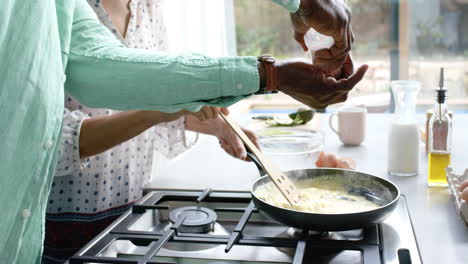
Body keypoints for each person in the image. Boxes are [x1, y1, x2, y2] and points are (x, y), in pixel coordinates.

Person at [0, 0, 368, 263]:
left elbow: (132, 79)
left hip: (118, 213)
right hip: (54, 221)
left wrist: (217, 116)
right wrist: (273, 75)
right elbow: (58, 135)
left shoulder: (133, 8)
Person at [42, 1, 258, 262]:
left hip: (131, 214)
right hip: (58, 226)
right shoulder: (55, 11)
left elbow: (158, 103)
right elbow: (56, 141)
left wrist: (212, 123)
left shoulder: (148, 8)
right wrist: (166, 107)